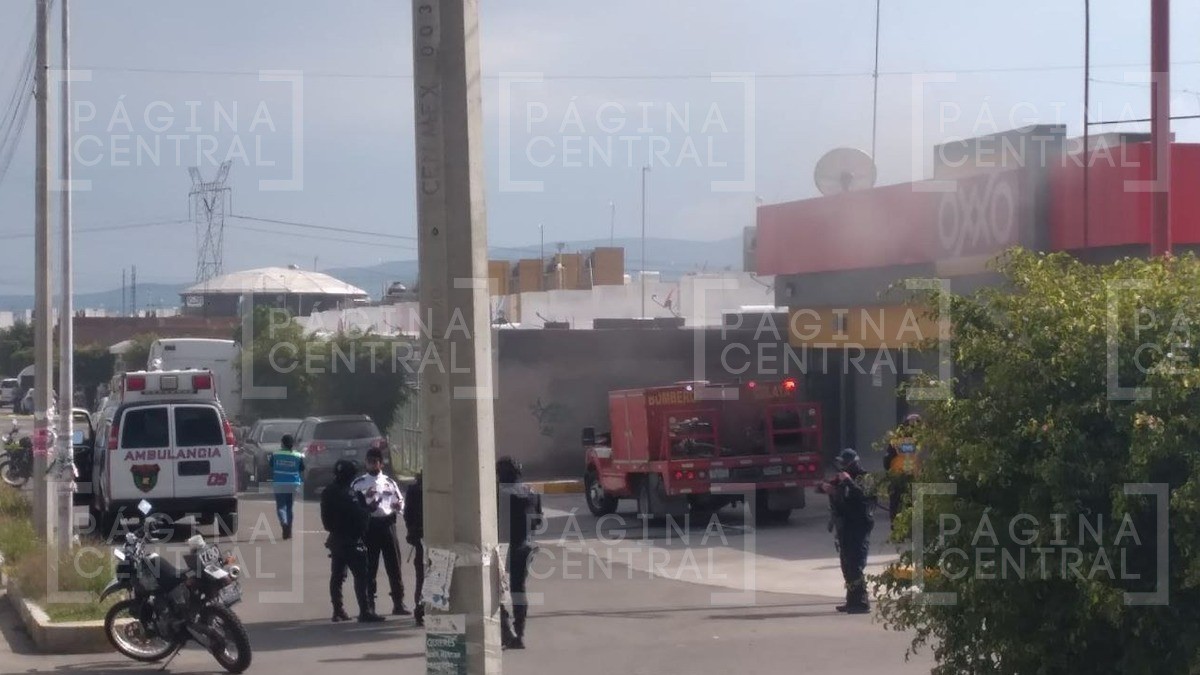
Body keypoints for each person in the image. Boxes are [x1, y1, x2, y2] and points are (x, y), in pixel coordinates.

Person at [321, 459, 384, 623]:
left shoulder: (328, 491)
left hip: (336, 539)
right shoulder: (349, 494)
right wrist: (369, 510)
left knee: (337, 576)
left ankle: (338, 610)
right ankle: (365, 611)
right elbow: (358, 515)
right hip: (352, 539)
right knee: (361, 575)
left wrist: (366, 508)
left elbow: (326, 520)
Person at [818, 448, 875, 614]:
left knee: (856, 564)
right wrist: (825, 487)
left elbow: (864, 496)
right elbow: (820, 487)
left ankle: (861, 602)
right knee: (846, 565)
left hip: (859, 527)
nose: (842, 466)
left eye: (845, 463)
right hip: (845, 526)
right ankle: (851, 600)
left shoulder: (865, 478)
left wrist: (849, 481)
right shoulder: (842, 477)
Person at [353, 448, 409, 616]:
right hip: (370, 527)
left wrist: (399, 506)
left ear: (381, 463)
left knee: (394, 565)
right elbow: (354, 506)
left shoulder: (390, 482)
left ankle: (398, 602)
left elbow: (400, 501)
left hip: (388, 524)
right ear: (366, 463)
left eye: (375, 461)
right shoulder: (359, 483)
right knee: (370, 567)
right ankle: (370, 604)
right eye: (369, 461)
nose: (372, 464)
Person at [497, 457, 543, 650]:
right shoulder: (531, 492)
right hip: (525, 546)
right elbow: (538, 521)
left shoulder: (498, 493)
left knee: (494, 590)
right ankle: (520, 632)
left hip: (502, 547)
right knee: (518, 589)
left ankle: (505, 629)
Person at [269, 434, 304, 540]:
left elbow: (271, 465)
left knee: (281, 506)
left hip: (279, 483)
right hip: (293, 484)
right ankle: (289, 530)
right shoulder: (298, 455)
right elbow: (302, 468)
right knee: (289, 507)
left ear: (282, 443)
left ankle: (284, 523)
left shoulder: (275, 454)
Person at [403, 471, 424, 627]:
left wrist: (412, 532)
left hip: (419, 537)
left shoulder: (413, 490)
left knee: (421, 577)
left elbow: (407, 515)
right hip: (431, 537)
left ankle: (420, 609)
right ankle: (421, 609)